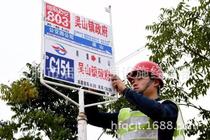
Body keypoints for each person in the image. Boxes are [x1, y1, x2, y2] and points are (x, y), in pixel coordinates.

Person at [85, 61, 184, 140]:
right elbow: (91, 117)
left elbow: (158, 112)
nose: (134, 83)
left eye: (140, 78)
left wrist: (125, 91)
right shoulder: (125, 116)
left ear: (156, 82)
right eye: (132, 81)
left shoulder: (169, 107)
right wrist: (92, 92)